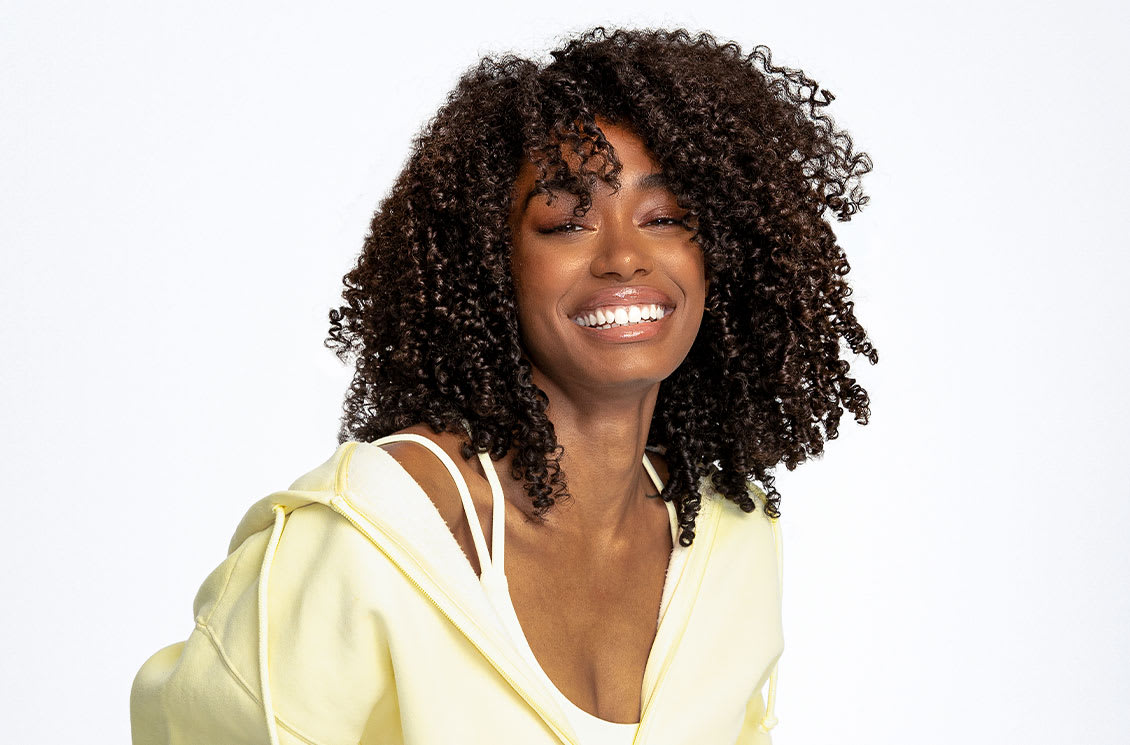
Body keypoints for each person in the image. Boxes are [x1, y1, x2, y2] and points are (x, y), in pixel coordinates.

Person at [130, 26, 876, 745]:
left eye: (665, 216)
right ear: (490, 264)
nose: (624, 255)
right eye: (565, 222)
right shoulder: (376, 536)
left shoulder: (730, 542)